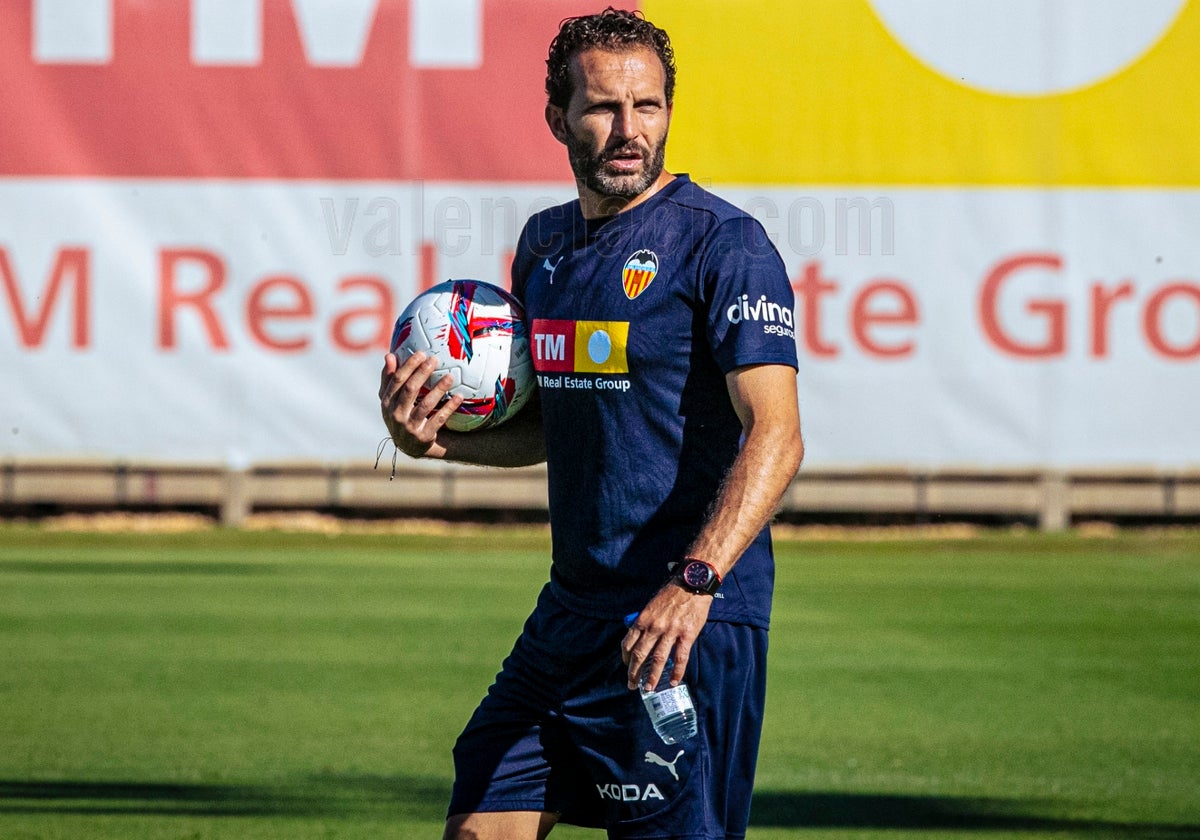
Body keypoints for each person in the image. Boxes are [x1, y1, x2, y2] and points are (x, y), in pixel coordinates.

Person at [379, 8, 803, 839]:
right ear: (557, 118)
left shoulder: (723, 245)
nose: (628, 130)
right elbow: (553, 429)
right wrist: (430, 441)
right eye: (603, 108)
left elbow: (777, 436)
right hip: (571, 615)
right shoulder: (543, 249)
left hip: (684, 622)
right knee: (479, 822)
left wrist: (695, 583)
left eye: (648, 107)